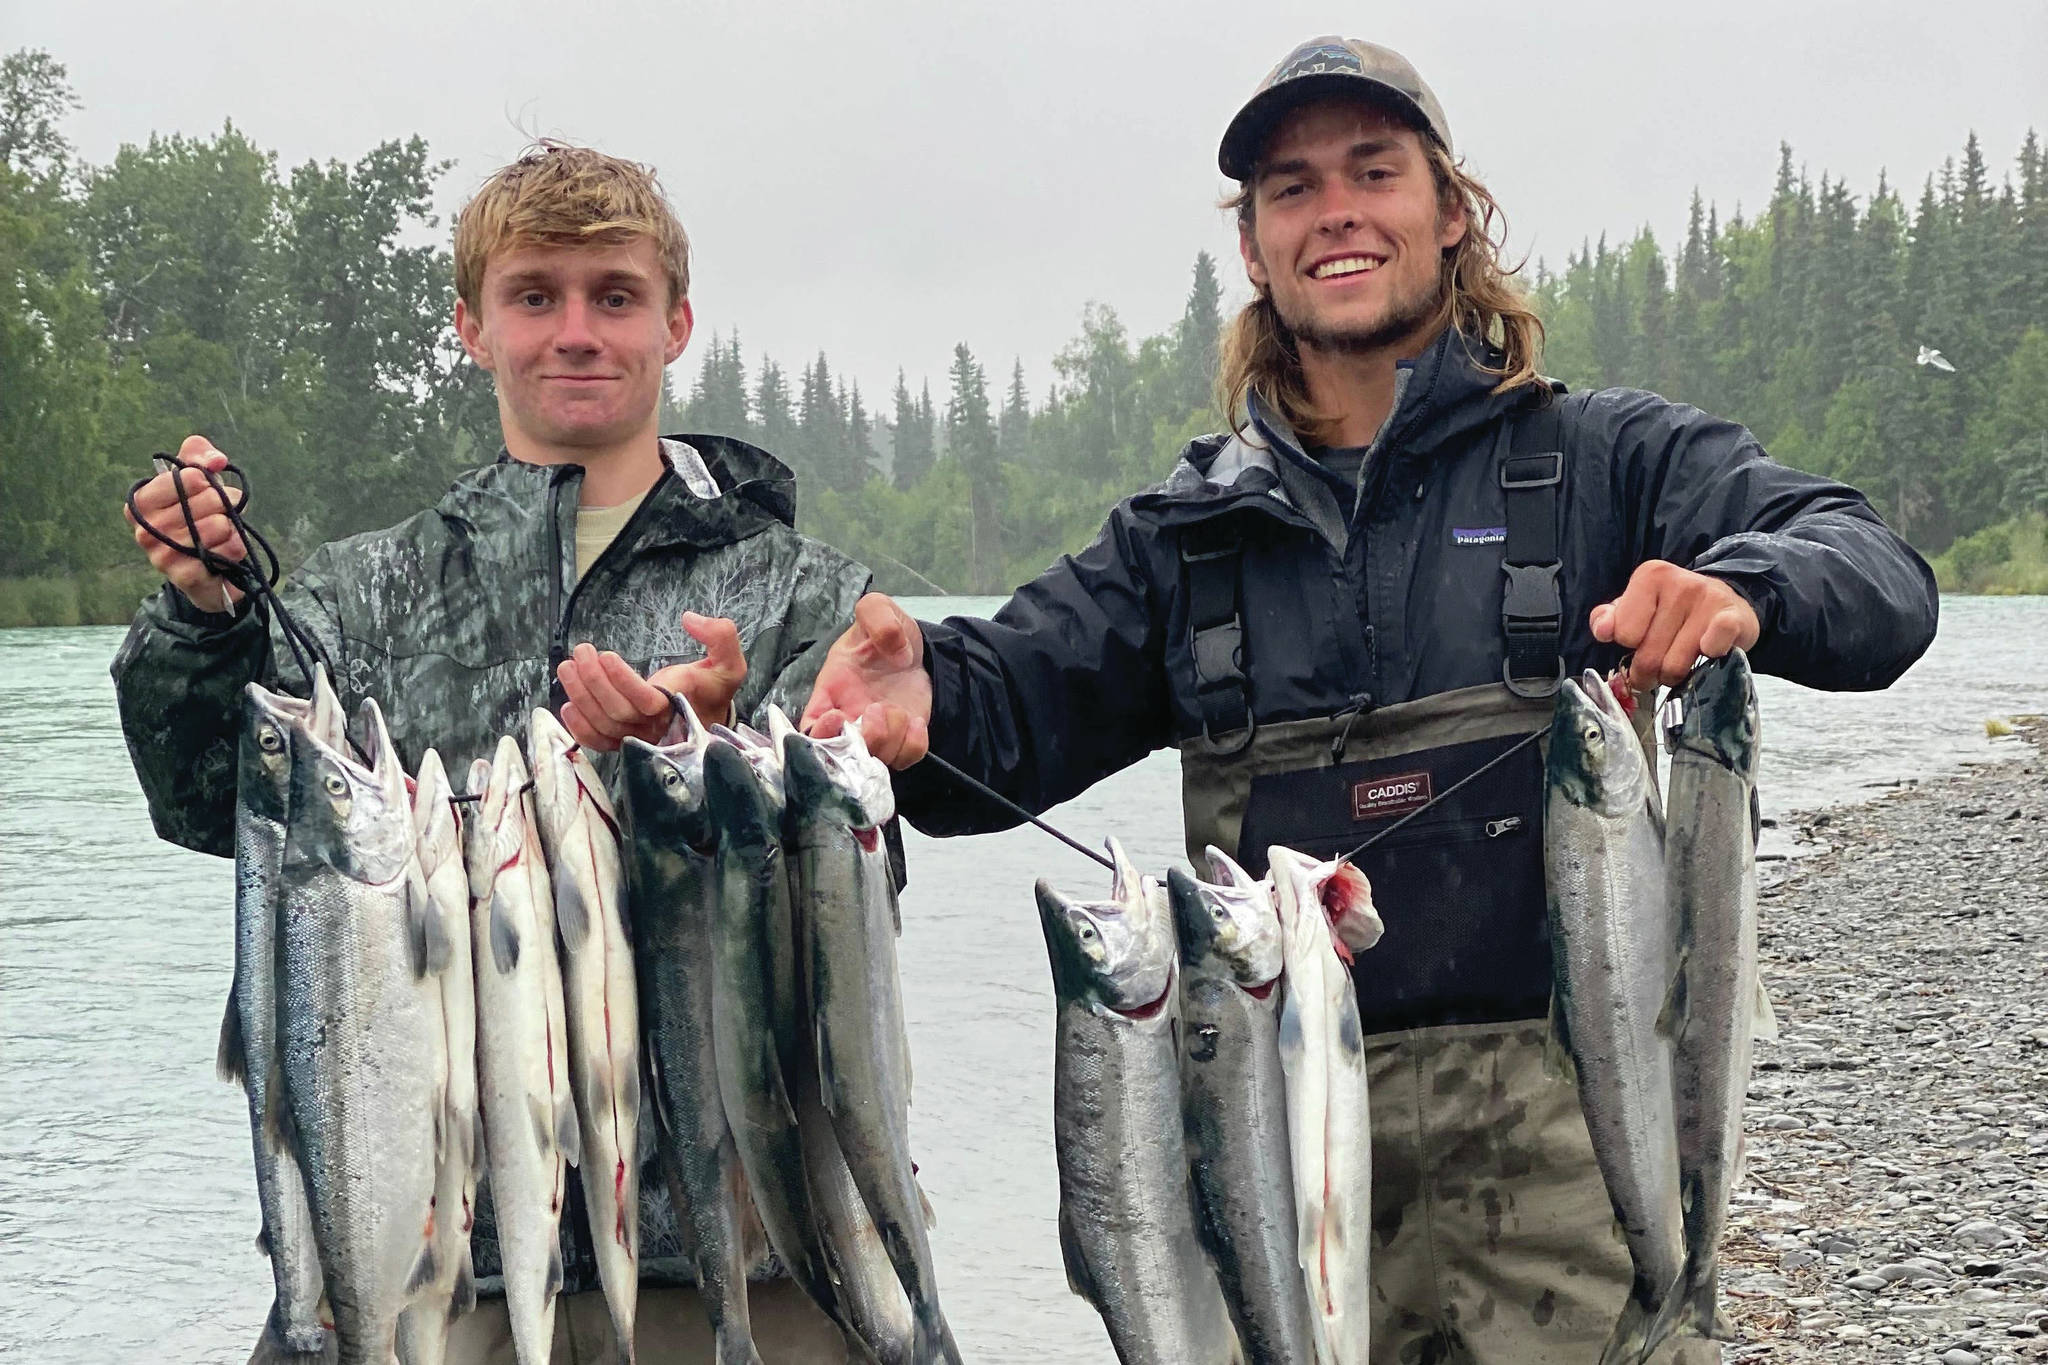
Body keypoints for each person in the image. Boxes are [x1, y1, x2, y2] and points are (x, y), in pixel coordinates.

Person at [802, 37, 1940, 1365]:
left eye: (1372, 170)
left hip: (1577, 1177)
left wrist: (1746, 590)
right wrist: (915, 700)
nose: (1333, 209)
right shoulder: (1182, 540)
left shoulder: (1609, 462)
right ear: (1254, 246)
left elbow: (1878, 576)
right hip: (1265, 1160)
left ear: (1452, 212)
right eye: (1290, 187)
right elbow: (999, 712)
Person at [113, 143, 865, 1363]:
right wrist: (204, 617)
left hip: (739, 1253)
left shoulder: (798, 597)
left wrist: (713, 751)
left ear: (675, 325)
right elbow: (211, 801)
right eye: (535, 296)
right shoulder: (365, 593)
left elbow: (852, 880)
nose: (576, 330)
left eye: (613, 296)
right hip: (422, 1258)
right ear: (472, 326)